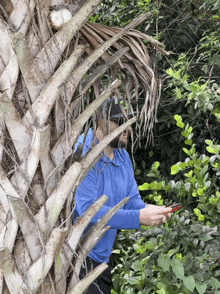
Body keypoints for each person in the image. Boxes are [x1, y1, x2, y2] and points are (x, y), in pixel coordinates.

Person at [73, 97, 172, 293]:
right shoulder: (84, 152)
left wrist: (150, 211)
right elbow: (87, 211)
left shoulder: (122, 156)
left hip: (102, 260)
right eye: (119, 121)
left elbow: (132, 201)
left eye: (129, 121)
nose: (127, 127)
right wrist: (138, 218)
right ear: (100, 123)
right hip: (77, 260)